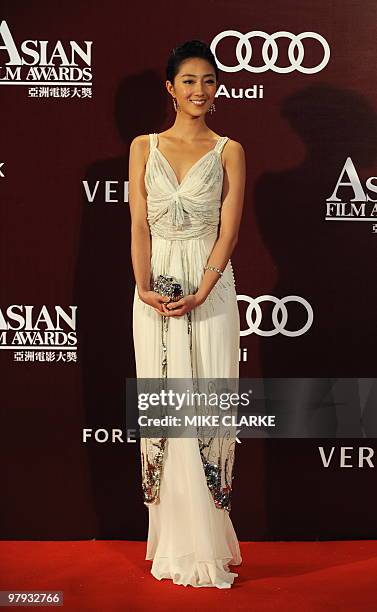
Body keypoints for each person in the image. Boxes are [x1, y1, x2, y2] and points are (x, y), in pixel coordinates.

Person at [129, 39, 246, 588]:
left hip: (212, 287)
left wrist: (203, 287)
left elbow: (229, 231)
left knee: (205, 407)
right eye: (189, 80)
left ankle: (207, 544)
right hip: (152, 294)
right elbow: (138, 226)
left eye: (208, 81)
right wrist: (143, 285)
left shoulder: (230, 150)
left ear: (217, 90)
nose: (200, 90)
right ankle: (173, 541)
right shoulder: (143, 146)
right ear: (170, 88)